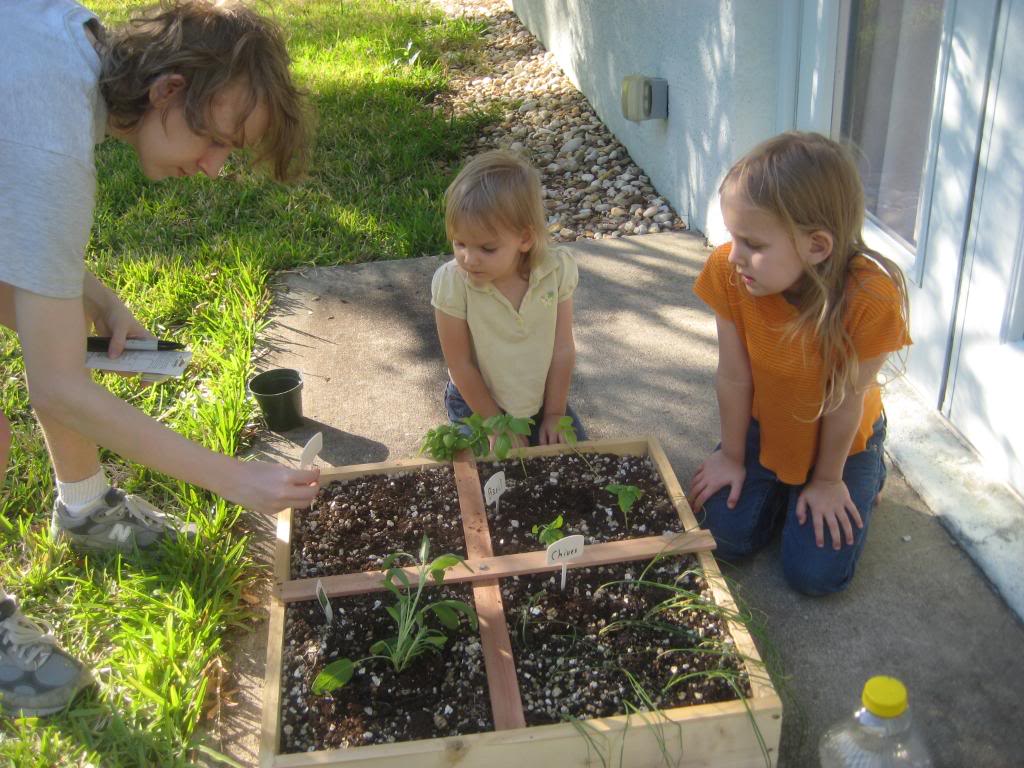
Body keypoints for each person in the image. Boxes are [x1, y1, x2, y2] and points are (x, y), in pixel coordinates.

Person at [0, 0, 320, 716]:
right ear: (168, 90)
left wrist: (99, 300)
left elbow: (9, 229)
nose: (212, 168)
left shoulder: (70, 46)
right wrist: (237, 479)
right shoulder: (50, 139)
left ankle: (84, 510)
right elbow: (57, 387)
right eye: (216, 141)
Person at [688, 131, 911, 596]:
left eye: (752, 243)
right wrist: (731, 456)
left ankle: (867, 473)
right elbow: (733, 375)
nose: (736, 256)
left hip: (841, 439)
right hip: (766, 424)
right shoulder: (729, 272)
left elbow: (845, 402)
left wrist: (828, 481)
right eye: (733, 237)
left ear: (817, 247)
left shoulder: (871, 298)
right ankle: (782, 489)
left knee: (815, 575)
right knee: (722, 536)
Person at [431, 149, 586, 449]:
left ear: (525, 239)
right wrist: (495, 424)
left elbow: (562, 347)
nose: (468, 258)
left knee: (577, 465)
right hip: (476, 407)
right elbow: (460, 364)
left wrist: (554, 413)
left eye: (487, 248)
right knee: (483, 479)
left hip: (541, 403)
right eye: (460, 243)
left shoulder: (555, 270)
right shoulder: (453, 283)